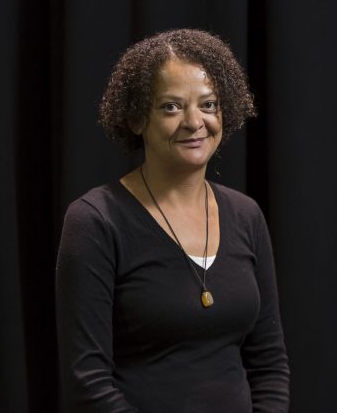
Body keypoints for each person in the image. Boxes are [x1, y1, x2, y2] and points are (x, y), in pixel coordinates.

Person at [55, 29, 290, 412]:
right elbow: (87, 381)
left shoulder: (246, 215)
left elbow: (270, 363)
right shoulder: (96, 220)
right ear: (136, 118)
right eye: (171, 107)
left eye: (208, 104)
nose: (194, 121)